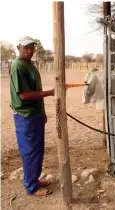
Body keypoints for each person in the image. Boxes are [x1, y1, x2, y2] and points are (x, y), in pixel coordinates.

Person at [10, 36, 54, 197]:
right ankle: (31, 187)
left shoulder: (29, 64)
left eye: (32, 48)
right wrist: (50, 93)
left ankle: (34, 179)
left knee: (37, 150)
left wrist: (42, 113)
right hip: (26, 116)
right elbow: (24, 95)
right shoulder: (18, 66)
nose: (30, 51)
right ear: (18, 47)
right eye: (26, 48)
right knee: (30, 151)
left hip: (35, 115)